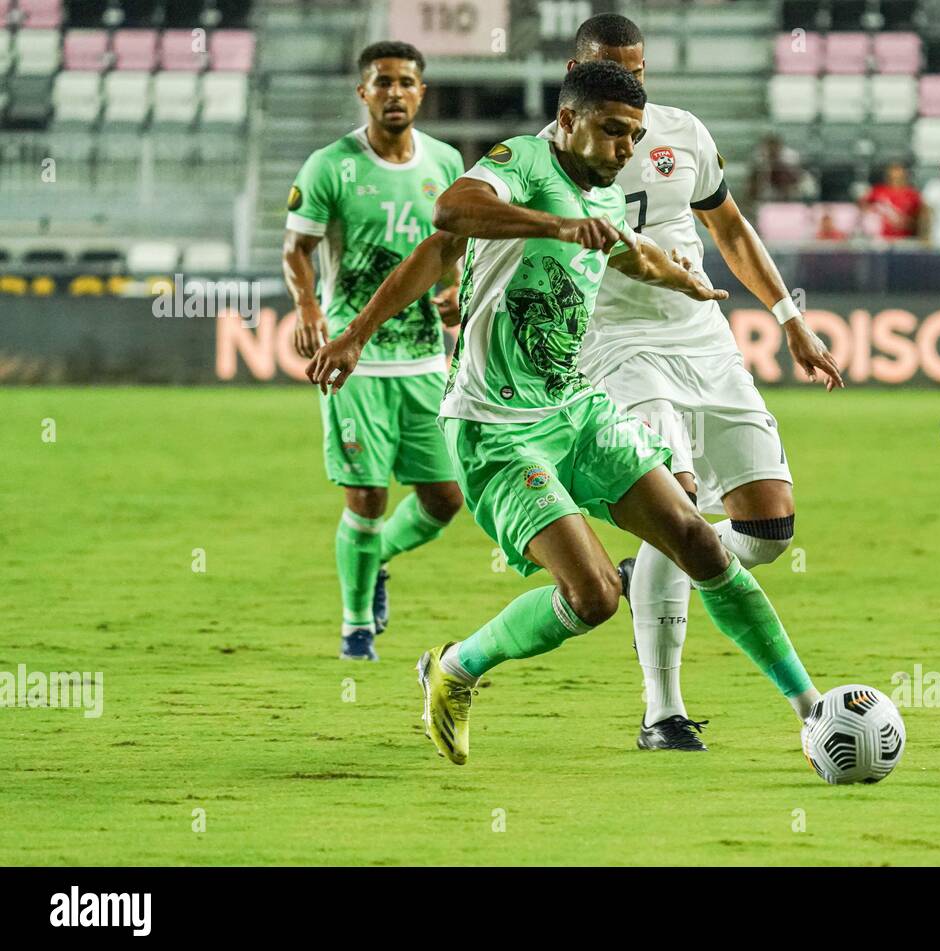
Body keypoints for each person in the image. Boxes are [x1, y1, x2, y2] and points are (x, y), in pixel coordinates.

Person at [305, 61, 824, 766]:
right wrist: (357, 332)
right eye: (613, 131)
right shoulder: (520, 161)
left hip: (577, 412)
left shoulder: (604, 202)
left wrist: (685, 280)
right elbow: (448, 217)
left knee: (697, 541)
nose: (625, 149)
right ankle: (457, 668)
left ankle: (811, 712)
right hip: (496, 429)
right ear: (570, 120)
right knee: (595, 596)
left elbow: (630, 253)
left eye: (635, 135)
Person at [546, 13, 843, 751]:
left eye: (639, 71)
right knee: (675, 503)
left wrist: (788, 317)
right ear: (576, 76)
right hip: (615, 346)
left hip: (702, 338)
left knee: (770, 528)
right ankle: (662, 713)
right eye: (613, 70)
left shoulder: (683, 131)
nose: (631, 84)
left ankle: (655, 563)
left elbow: (731, 229)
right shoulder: (545, 156)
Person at [282, 41, 465, 661]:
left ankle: (375, 557)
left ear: (421, 91)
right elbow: (296, 250)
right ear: (363, 93)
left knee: (445, 499)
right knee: (367, 496)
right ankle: (356, 626)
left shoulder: (445, 161)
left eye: (406, 82)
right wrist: (309, 308)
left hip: (424, 360)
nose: (394, 92)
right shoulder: (329, 166)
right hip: (352, 358)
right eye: (381, 82)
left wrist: (453, 292)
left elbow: (452, 247)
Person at [860, 160, 921, 239]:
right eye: (893, 170)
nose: (895, 174)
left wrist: (904, 223)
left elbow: (919, 221)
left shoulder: (913, 194)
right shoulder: (878, 191)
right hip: (879, 240)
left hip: (903, 239)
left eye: (898, 170)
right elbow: (863, 206)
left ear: (905, 174)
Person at [747, 133, 816, 202]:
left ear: (779, 146)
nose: (772, 149)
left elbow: (795, 174)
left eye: (775, 146)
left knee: (806, 186)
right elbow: (756, 176)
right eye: (770, 146)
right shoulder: (759, 155)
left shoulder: (791, 155)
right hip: (771, 184)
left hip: (793, 183)